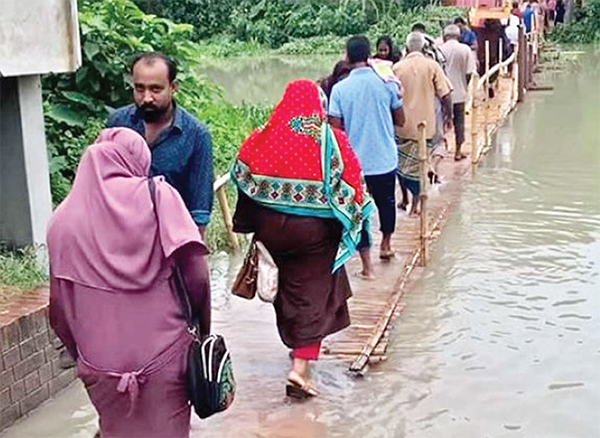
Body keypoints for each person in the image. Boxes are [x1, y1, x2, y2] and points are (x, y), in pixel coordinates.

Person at [47, 127, 211, 438]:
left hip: (100, 366)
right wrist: (203, 330)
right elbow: (197, 276)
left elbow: (59, 310)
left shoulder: (61, 221)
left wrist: (84, 357)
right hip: (165, 357)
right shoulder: (159, 198)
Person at [231, 80, 373, 398]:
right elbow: (353, 185)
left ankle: (297, 345)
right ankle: (300, 369)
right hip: (313, 234)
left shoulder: (263, 135)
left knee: (289, 291)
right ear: (317, 105)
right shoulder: (330, 139)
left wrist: (250, 223)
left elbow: (241, 174)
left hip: (270, 230)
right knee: (314, 293)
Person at [107, 52, 214, 235]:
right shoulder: (117, 124)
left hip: (170, 240)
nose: (147, 98)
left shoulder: (196, 135)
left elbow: (199, 212)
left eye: (156, 90)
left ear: (173, 87)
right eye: (139, 89)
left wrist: (191, 258)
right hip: (122, 238)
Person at [328, 35, 405, 276]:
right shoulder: (387, 84)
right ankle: (386, 244)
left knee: (359, 211)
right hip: (384, 158)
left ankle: (366, 266)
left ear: (348, 58)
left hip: (354, 163)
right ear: (369, 55)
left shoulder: (340, 90)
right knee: (387, 203)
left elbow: (335, 130)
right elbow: (401, 120)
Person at [393, 32, 452, 215]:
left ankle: (404, 199)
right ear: (423, 48)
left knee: (401, 166)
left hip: (401, 126)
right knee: (420, 165)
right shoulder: (432, 66)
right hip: (425, 127)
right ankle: (416, 205)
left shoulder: (397, 68)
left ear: (407, 47)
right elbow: (446, 94)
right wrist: (448, 116)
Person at [440, 24, 476, 161]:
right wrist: (464, 85)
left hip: (443, 93)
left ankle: (440, 150)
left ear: (445, 36)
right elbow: (469, 72)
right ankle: (458, 151)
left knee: (441, 121)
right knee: (459, 123)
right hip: (459, 92)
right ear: (458, 35)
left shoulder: (439, 50)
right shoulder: (465, 50)